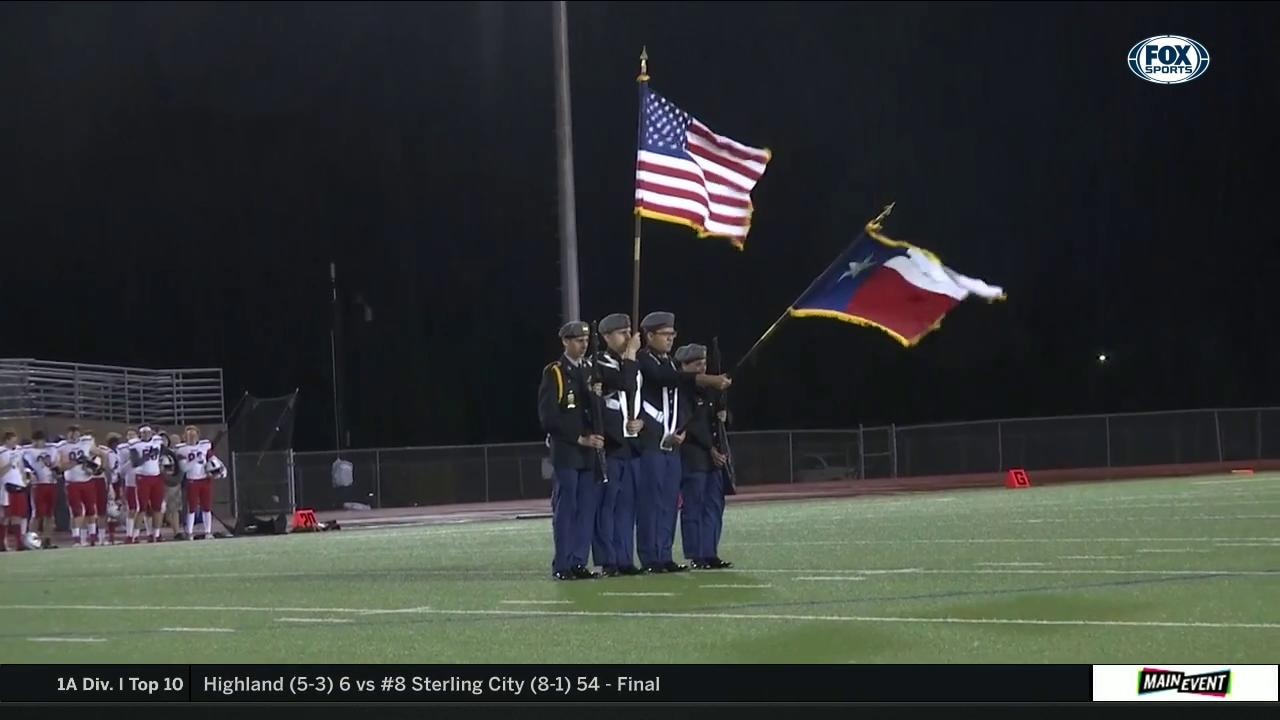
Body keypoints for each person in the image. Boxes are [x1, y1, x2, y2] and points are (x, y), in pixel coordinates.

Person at [635, 311, 731, 573]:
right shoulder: (644, 360)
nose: (670, 339)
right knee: (652, 503)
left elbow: (682, 400)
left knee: (668, 504)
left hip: (673, 443)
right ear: (649, 335)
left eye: (672, 334)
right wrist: (709, 379)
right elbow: (666, 380)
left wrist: (681, 429)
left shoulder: (668, 363)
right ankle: (650, 557)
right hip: (652, 442)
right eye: (665, 335)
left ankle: (664, 555)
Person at [537, 320, 603, 581]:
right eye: (577, 340)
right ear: (565, 342)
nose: (583, 344)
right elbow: (549, 418)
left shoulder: (591, 369)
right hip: (568, 452)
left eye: (585, 340)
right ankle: (563, 565)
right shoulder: (555, 373)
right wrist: (580, 438)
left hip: (589, 453)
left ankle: (579, 562)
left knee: (586, 510)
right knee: (567, 509)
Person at [592, 312, 645, 576]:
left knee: (627, 507)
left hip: (630, 445)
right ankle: (608, 560)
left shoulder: (629, 363)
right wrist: (632, 355)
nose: (627, 337)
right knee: (608, 505)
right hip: (611, 445)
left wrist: (641, 422)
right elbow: (624, 384)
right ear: (606, 337)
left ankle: (625, 558)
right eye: (621, 333)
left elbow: (637, 397)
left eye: (628, 332)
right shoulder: (600, 363)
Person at [674, 344, 733, 569]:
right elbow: (693, 423)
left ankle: (710, 552)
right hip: (694, 455)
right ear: (685, 366)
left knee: (714, 505)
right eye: (697, 364)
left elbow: (718, 420)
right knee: (694, 505)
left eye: (704, 363)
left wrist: (725, 414)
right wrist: (711, 448)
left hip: (713, 457)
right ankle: (696, 554)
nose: (703, 367)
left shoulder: (711, 390)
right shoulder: (683, 389)